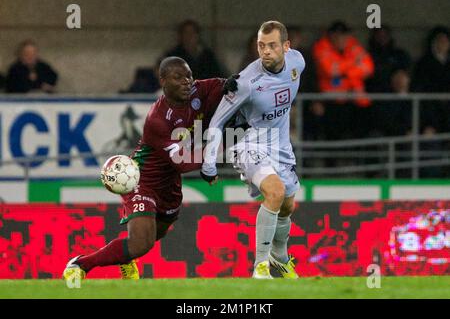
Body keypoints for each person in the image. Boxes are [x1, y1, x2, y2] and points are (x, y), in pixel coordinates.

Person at [63, 57, 238, 281]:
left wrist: (234, 86)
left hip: (170, 184)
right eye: (178, 77)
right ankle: (80, 264)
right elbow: (182, 162)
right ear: (163, 80)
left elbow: (221, 85)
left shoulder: (197, 90)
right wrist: (225, 144)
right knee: (140, 244)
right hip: (143, 179)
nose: (186, 82)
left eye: (189, 76)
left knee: (156, 233)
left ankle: (124, 257)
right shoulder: (158, 119)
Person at [201, 21, 305, 279]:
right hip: (248, 143)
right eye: (261, 46)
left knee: (287, 206)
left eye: (272, 45)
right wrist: (208, 163)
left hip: (279, 145)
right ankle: (261, 266)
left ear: (286, 46)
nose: (266, 51)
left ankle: (279, 259)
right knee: (275, 192)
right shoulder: (246, 82)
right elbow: (217, 120)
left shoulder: (298, 62)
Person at [312, 21, 374, 139]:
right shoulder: (321, 46)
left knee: (363, 131)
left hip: (355, 99)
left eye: (343, 34)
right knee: (332, 137)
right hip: (331, 100)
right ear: (330, 35)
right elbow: (330, 70)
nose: (340, 38)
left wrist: (344, 71)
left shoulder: (353, 46)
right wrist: (354, 64)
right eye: (336, 34)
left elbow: (368, 68)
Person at [366, 26, 411, 93]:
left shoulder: (399, 55)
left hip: (394, 94)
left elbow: (404, 74)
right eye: (379, 35)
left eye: (385, 35)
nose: (382, 38)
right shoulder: (366, 55)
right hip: (372, 93)